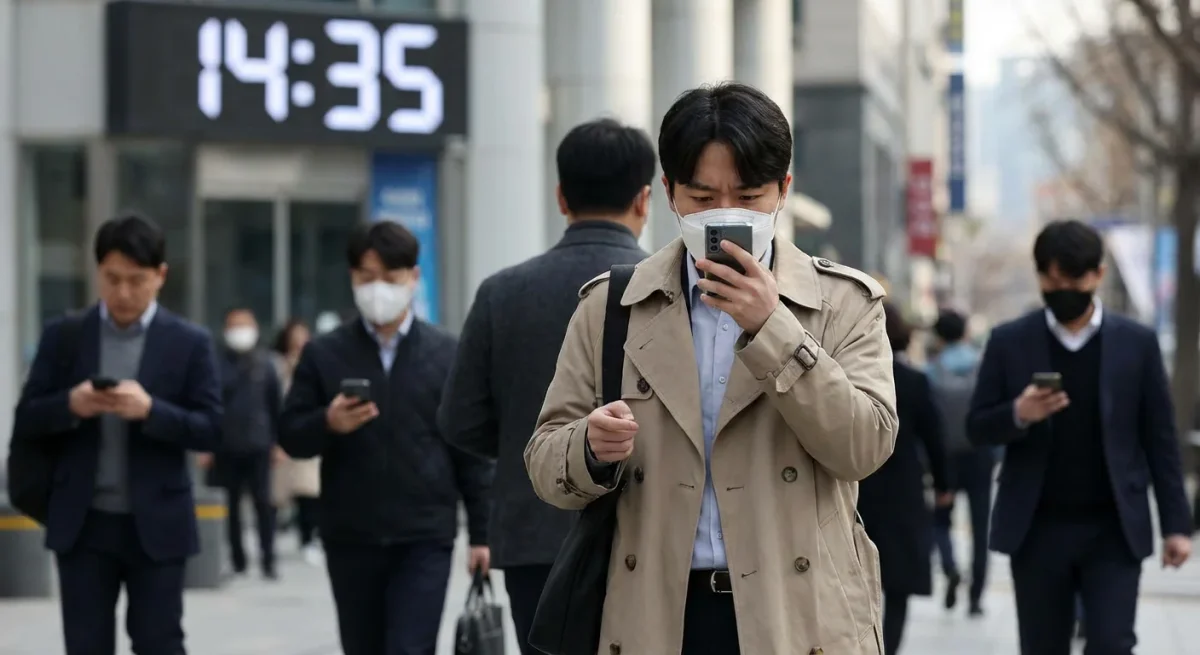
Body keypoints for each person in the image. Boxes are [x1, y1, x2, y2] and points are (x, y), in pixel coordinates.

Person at [524, 82, 897, 654]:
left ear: (783, 192)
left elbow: (865, 447)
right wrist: (591, 448)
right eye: (702, 197)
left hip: (795, 617)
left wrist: (773, 328)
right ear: (669, 193)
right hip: (657, 613)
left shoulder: (843, 303)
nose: (725, 214)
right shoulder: (612, 305)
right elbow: (546, 458)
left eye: (748, 197)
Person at [437, 118, 652, 654]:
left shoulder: (503, 292)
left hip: (533, 531)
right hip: (648, 530)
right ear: (646, 199)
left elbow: (459, 421)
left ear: (561, 196)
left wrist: (524, 444)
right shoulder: (671, 290)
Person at [967, 219, 1193, 655]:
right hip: (1037, 528)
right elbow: (977, 427)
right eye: (1052, 279)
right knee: (1042, 646)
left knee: (1112, 642)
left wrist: (1177, 526)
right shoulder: (1009, 341)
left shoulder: (1136, 344)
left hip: (1112, 527)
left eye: (1074, 279)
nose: (1062, 289)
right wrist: (1019, 412)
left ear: (1098, 276)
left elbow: (1160, 439)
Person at [278, 221, 494, 655]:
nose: (378, 290)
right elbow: (291, 436)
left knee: (411, 648)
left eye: (390, 279)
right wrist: (328, 422)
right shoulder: (325, 353)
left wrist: (483, 533)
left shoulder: (447, 353)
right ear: (352, 279)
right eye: (366, 278)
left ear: (413, 278)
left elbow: (471, 449)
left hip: (425, 536)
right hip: (351, 535)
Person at [12, 213, 222, 655]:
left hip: (157, 524)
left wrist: (152, 411)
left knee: (159, 642)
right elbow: (28, 417)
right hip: (84, 523)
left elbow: (211, 429)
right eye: (112, 279)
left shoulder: (189, 342)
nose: (123, 293)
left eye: (136, 280)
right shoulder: (64, 337)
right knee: (85, 645)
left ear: (160, 276)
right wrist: (72, 404)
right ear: (98, 273)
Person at [858, 303, 952, 654]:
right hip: (903, 488)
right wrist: (944, 487)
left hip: (857, 485)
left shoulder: (847, 376)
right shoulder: (914, 381)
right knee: (896, 586)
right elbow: (935, 438)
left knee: (856, 580)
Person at [198, 308, 282, 579]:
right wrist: (206, 445)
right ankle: (238, 560)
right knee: (230, 507)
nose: (240, 331)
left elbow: (275, 405)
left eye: (245, 325)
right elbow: (208, 406)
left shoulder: (266, 363)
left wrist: (279, 444)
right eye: (235, 325)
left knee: (264, 504)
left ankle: (268, 559)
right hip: (226, 446)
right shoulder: (217, 363)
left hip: (259, 444)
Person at [926, 308, 992, 616]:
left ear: (939, 336)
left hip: (945, 457)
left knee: (941, 521)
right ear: (965, 331)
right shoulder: (982, 364)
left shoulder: (932, 370)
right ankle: (976, 598)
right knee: (981, 529)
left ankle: (950, 566)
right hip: (980, 454)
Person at [271, 319, 323, 565]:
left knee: (307, 493)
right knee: (274, 495)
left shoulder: (315, 363)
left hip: (306, 434)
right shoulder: (275, 365)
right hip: (280, 436)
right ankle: (268, 543)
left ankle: (308, 539)